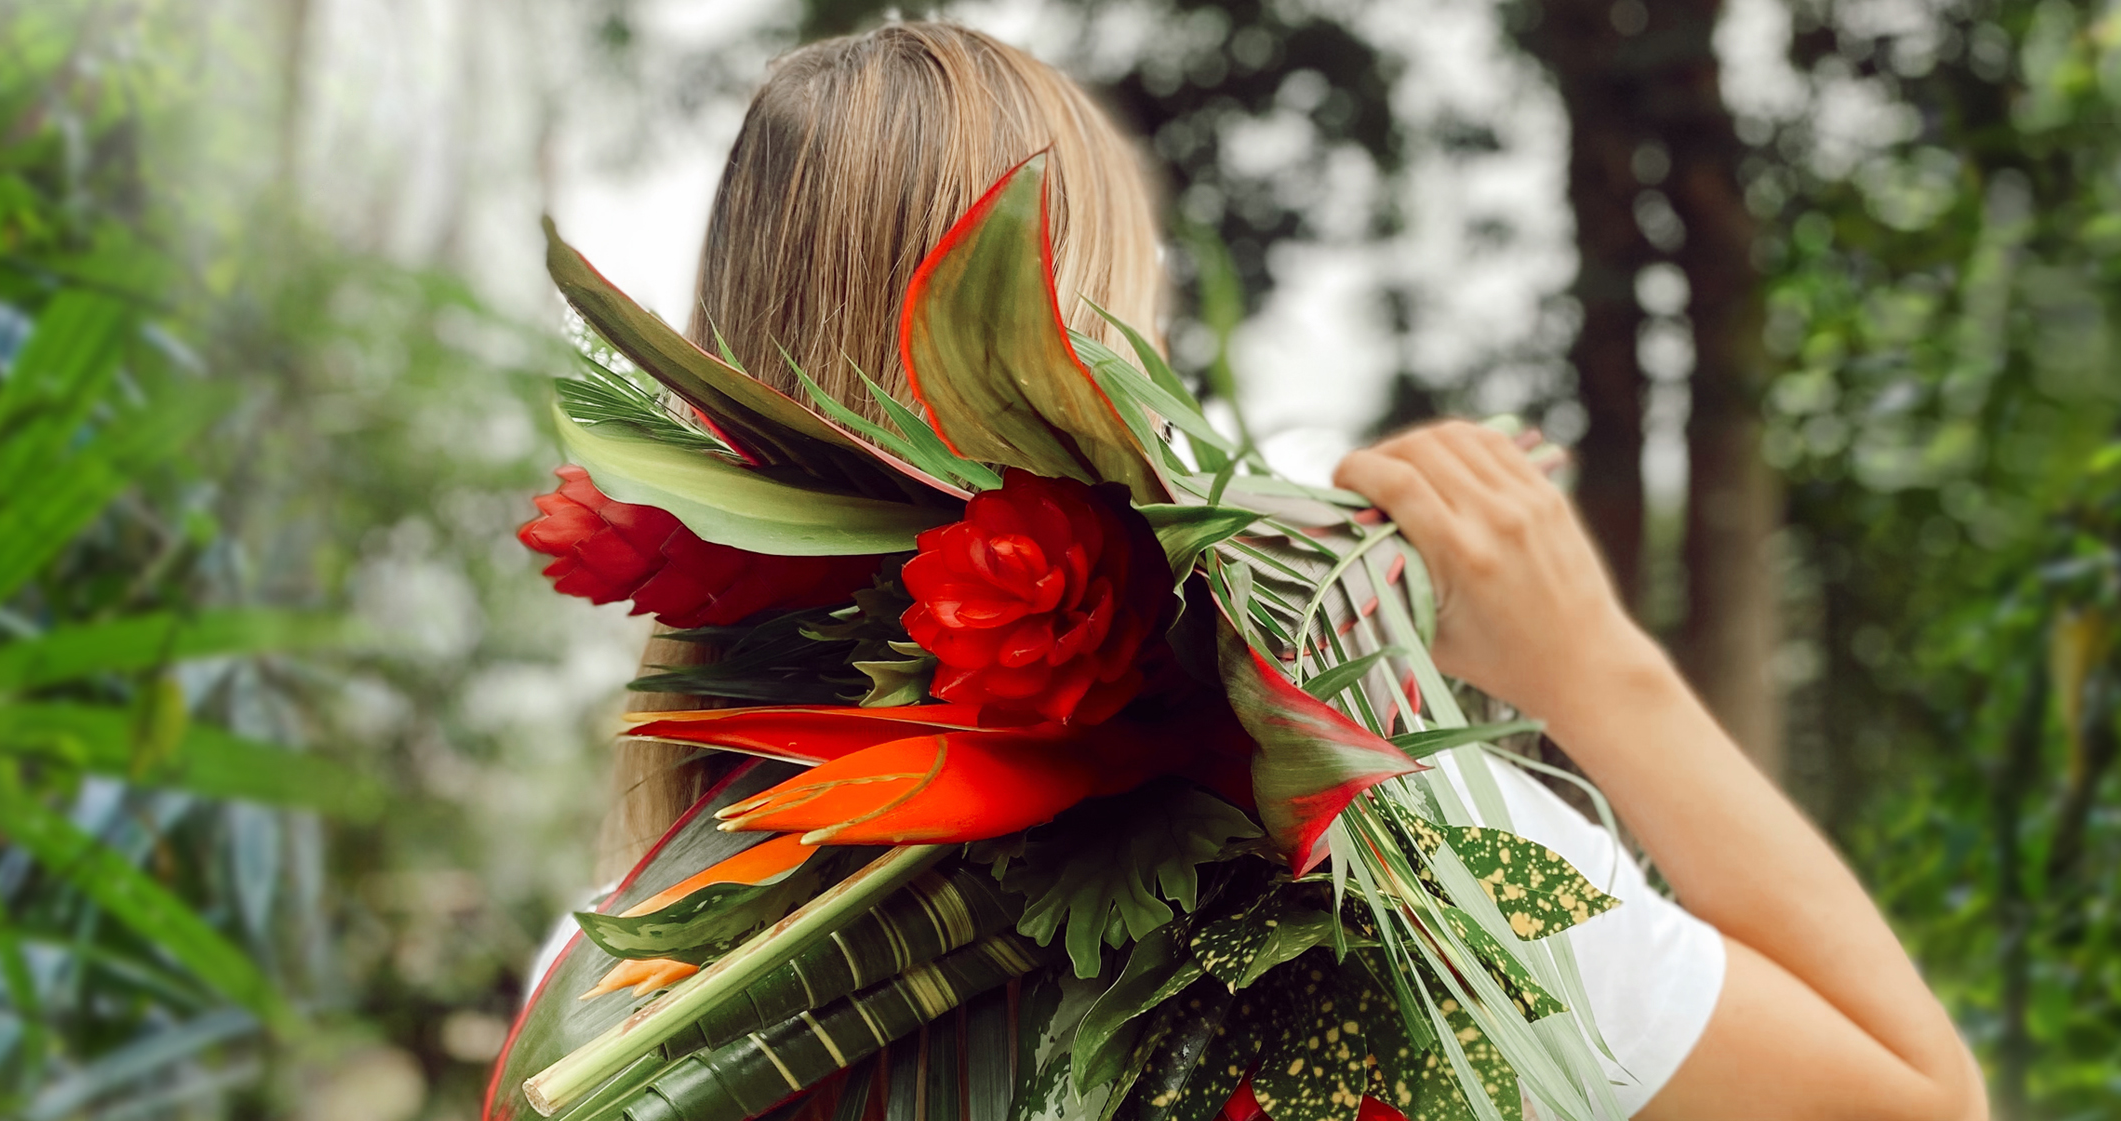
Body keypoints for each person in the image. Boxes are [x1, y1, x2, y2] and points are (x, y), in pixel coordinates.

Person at [542, 20, 1989, 1121]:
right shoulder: (1389, 854)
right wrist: (1595, 667)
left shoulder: (633, 990)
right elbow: (1914, 1099)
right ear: (1088, 360)